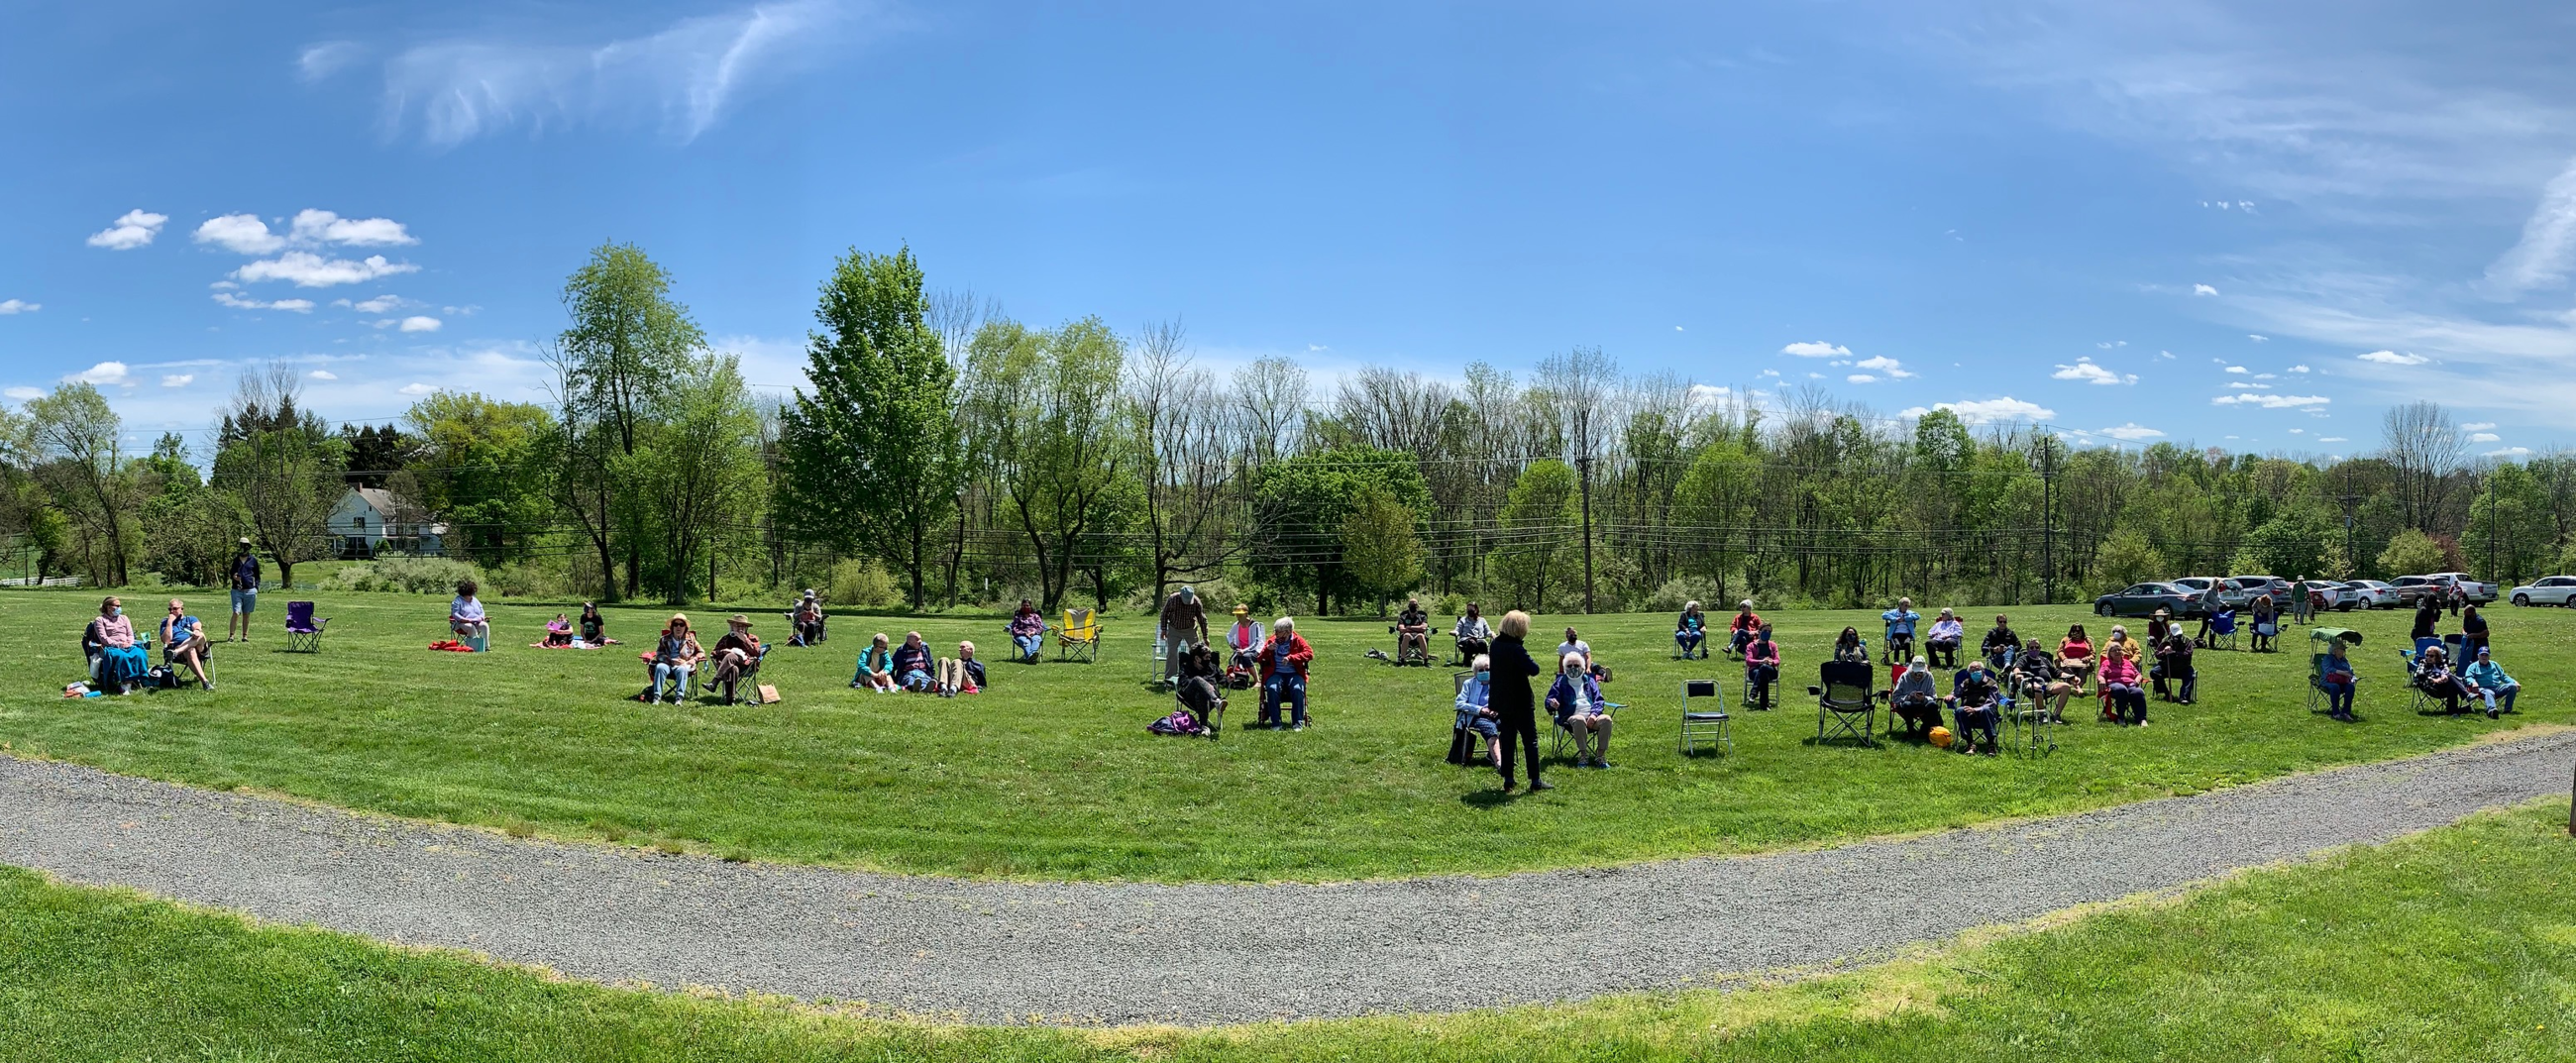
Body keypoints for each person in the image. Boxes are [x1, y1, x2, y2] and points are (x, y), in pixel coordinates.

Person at [1488, 610, 1551, 793]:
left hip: (1502, 700)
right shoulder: (1516, 649)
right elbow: (1535, 669)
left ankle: (1508, 779)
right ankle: (1535, 781)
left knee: (1507, 740)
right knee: (1530, 740)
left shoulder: (1495, 644)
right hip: (1520, 700)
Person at [1547, 651, 1614, 768]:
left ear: (1582, 667)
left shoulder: (1590, 681)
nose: (1573, 668)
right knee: (1579, 719)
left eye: (1576, 665)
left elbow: (1599, 700)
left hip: (1592, 717)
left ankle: (1600, 755)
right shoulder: (1560, 683)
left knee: (1606, 719)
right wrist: (1552, 703)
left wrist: (1594, 715)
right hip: (1571, 717)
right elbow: (1549, 700)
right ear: (1565, 668)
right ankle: (1583, 755)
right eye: (1569, 666)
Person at [1258, 616, 1314, 730]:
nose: (1276, 634)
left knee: (1298, 689)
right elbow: (1260, 659)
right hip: (1275, 673)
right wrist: (1268, 650)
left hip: (1294, 673)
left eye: (1278, 631)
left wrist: (1292, 658)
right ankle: (1276, 723)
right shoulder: (1272, 640)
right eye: (1275, 631)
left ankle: (1297, 723)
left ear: (1288, 631)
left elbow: (1309, 654)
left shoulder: (1298, 640)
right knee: (1272, 688)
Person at [87, 596, 150, 694]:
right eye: (117, 606)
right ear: (108, 607)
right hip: (111, 646)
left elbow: (130, 634)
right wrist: (119, 644)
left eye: (120, 606)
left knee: (139, 654)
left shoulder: (124, 618)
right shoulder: (100, 620)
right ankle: (124, 685)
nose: (119, 608)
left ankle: (137, 680)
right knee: (123, 656)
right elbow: (103, 638)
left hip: (128, 644)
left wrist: (129, 642)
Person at [1452, 655, 1501, 770]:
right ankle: (1499, 763)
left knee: (1510, 725)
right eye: (1481, 670)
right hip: (1476, 717)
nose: (1485, 672)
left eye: (1488, 669)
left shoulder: (1498, 683)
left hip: (1496, 714)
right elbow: (1459, 703)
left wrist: (1497, 710)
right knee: (1490, 728)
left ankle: (1491, 755)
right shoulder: (1469, 684)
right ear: (1475, 672)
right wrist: (1480, 710)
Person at [1158, 586, 1211, 687]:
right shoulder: (1172, 599)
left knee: (1197, 653)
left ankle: (1196, 677)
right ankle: (1170, 680)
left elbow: (1202, 619)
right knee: (1171, 653)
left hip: (1190, 629)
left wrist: (1205, 636)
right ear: (1180, 594)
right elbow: (1164, 614)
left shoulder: (1196, 602)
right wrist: (1164, 629)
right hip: (1174, 629)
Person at [2011, 639, 2073, 723]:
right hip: (2030, 685)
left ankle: (2056, 715)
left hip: (2046, 686)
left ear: (2040, 648)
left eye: (2037, 647)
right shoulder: (2023, 659)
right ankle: (2042, 715)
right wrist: (2019, 675)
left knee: (2066, 687)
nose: (2034, 650)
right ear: (2027, 649)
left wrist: (2070, 677)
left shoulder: (2044, 660)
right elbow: (2017, 669)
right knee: (2037, 687)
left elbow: (2055, 672)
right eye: (2031, 648)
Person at [1949, 659, 2002, 755]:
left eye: (1977, 669)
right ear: (1969, 673)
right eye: (1972, 670)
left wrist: (1976, 710)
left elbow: (1992, 702)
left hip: (1987, 714)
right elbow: (1956, 692)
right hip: (1969, 712)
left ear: (1983, 670)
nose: (1975, 672)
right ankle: (1970, 744)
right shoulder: (1966, 683)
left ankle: (1991, 745)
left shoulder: (1991, 683)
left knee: (1986, 710)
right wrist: (1951, 695)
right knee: (1960, 711)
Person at [159, 598, 214, 691]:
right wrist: (169, 622)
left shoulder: (190, 619)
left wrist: (196, 631)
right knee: (190, 650)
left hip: (200, 648)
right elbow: (166, 641)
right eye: (170, 609)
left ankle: (176, 652)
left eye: (175, 609)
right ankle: (205, 682)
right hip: (182, 653)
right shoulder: (165, 623)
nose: (172, 611)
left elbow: (197, 626)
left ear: (182, 609)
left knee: (200, 635)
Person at [645, 614, 701, 703]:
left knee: (682, 670)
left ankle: (679, 698)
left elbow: (701, 652)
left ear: (685, 627)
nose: (678, 627)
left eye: (681, 625)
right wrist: (670, 661)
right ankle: (656, 697)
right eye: (676, 624)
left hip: (684, 665)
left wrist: (692, 660)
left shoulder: (691, 639)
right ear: (672, 627)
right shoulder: (664, 639)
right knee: (660, 667)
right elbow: (659, 654)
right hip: (667, 664)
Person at [708, 615, 763, 704]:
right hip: (727, 667)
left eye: (742, 626)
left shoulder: (752, 638)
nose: (739, 628)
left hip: (747, 666)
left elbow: (757, 653)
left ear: (746, 628)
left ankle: (715, 682)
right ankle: (730, 700)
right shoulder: (726, 639)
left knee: (731, 655)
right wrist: (723, 651)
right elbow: (714, 653)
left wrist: (745, 641)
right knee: (733, 668)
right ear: (732, 627)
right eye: (737, 626)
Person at [1890, 655, 1942, 740]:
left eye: (1921, 672)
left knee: (1933, 705)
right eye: (1916, 672)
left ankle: (1925, 731)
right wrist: (1908, 697)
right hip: (1908, 706)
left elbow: (1933, 696)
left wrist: (1924, 698)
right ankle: (1911, 732)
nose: (1918, 675)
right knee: (1907, 704)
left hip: (1923, 705)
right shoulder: (1904, 676)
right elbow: (1896, 698)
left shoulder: (1929, 676)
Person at [2098, 642, 2147, 725]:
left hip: (2130, 684)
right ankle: (2121, 718)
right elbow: (2100, 675)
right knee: (2122, 689)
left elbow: (2137, 674)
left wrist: (2138, 679)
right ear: (2110, 653)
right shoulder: (2106, 663)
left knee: (2138, 692)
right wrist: (2101, 679)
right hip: (2114, 685)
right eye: (2114, 650)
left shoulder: (2128, 662)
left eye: (2119, 650)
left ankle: (2141, 719)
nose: (2117, 652)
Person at [2463, 647, 2517, 719]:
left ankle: (2507, 710)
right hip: (2482, 689)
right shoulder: (2473, 666)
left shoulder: (2494, 664)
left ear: (2489, 656)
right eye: (2482, 655)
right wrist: (2473, 682)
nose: (2484, 657)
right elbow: (2468, 677)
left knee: (2512, 686)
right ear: (2478, 656)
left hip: (2497, 688)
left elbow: (2503, 676)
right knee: (2489, 692)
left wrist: (2514, 682)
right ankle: (2492, 711)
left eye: (2486, 655)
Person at [2415, 644, 2470, 714]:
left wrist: (2443, 676)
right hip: (2431, 688)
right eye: (2427, 655)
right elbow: (2419, 675)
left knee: (2450, 681)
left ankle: (2452, 712)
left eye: (2431, 656)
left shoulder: (2442, 663)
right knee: (2451, 679)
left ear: (2437, 657)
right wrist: (2433, 680)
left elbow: (2446, 670)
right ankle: (2466, 695)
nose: (2428, 657)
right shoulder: (2423, 663)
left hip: (2443, 687)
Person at [226, 537, 261, 643]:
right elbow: (231, 572)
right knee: (236, 612)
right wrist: (234, 576)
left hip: (250, 590)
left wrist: (256, 588)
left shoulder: (253, 560)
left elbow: (257, 575)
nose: (243, 549)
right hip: (237, 590)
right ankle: (231, 636)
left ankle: (245, 636)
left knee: (246, 613)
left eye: (245, 547)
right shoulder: (236, 560)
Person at [1742, 623, 1780, 708]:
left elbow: (1777, 660)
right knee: (1763, 675)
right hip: (1754, 671)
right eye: (1765, 631)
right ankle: (1764, 704)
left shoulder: (1773, 645)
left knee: (1764, 669)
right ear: (1759, 632)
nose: (1767, 633)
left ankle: (1753, 693)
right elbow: (1749, 660)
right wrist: (1761, 661)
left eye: (1769, 631)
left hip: (1770, 670)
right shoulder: (1751, 646)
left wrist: (1771, 662)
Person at [2151, 629, 2196, 704]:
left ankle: (2183, 697)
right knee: (2154, 672)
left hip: (2182, 668)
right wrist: (2164, 652)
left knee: (2190, 675)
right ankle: (2166, 694)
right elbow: (2157, 654)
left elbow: (2188, 654)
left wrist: (2175, 652)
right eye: (2175, 636)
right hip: (2166, 667)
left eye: (2178, 635)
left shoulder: (2187, 641)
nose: (2176, 637)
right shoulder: (2165, 640)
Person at [2318, 639, 2358, 721]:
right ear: (2335, 650)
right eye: (2342, 649)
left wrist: (2353, 678)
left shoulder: (2344, 660)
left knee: (2350, 687)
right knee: (2335, 687)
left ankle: (2346, 712)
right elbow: (2328, 669)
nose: (2344, 651)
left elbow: (2350, 671)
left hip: (2342, 682)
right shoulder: (2328, 658)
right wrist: (2342, 673)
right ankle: (2336, 713)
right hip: (2328, 681)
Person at [2057, 624, 2095, 693]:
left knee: (2083, 669)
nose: (2076, 633)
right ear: (2071, 631)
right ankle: (2078, 689)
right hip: (2068, 661)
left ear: (2082, 632)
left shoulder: (2087, 640)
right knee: (2068, 668)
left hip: (2082, 661)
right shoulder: (2066, 640)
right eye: (2074, 631)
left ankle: (2077, 688)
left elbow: (2093, 653)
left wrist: (2088, 658)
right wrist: (2064, 658)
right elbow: (2060, 651)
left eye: (2078, 631)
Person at [1881, 597, 1921, 664]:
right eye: (1905, 605)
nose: (1907, 607)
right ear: (1900, 605)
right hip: (1896, 634)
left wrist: (1906, 618)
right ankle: (1896, 661)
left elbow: (1917, 616)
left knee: (1907, 643)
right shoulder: (1894, 612)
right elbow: (1884, 615)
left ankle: (1907, 661)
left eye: (1908, 606)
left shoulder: (1909, 613)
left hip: (1907, 634)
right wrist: (1895, 619)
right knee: (1897, 645)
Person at [448, 580, 489, 644]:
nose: (469, 597)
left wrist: (481, 617)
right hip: (461, 623)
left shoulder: (475, 600)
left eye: (470, 594)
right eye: (467, 595)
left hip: (476, 622)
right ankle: (474, 645)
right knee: (470, 627)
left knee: (484, 625)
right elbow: (455, 614)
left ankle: (486, 646)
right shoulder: (457, 601)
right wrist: (464, 619)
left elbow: (482, 611)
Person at [1007, 600, 1046, 664]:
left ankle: (1030, 656)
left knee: (1037, 639)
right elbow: (1014, 628)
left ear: (1030, 607)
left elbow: (1041, 627)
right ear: (1021, 607)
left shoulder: (1036, 616)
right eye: (1024, 606)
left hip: (1034, 634)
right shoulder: (1018, 617)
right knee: (1026, 642)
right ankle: (1031, 657)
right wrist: (1024, 633)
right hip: (1021, 635)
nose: (1026, 607)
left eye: (1027, 606)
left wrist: (1034, 632)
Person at [1395, 595, 1432, 664]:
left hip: (1418, 636)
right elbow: (1401, 629)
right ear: (1408, 606)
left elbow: (1423, 628)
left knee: (1421, 636)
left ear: (1417, 606)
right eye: (1411, 604)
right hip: (1406, 636)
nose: (1413, 606)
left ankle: (1425, 660)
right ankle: (1402, 660)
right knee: (1406, 635)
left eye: (1414, 604)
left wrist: (1410, 627)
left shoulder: (1422, 616)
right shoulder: (1403, 616)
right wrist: (1417, 628)